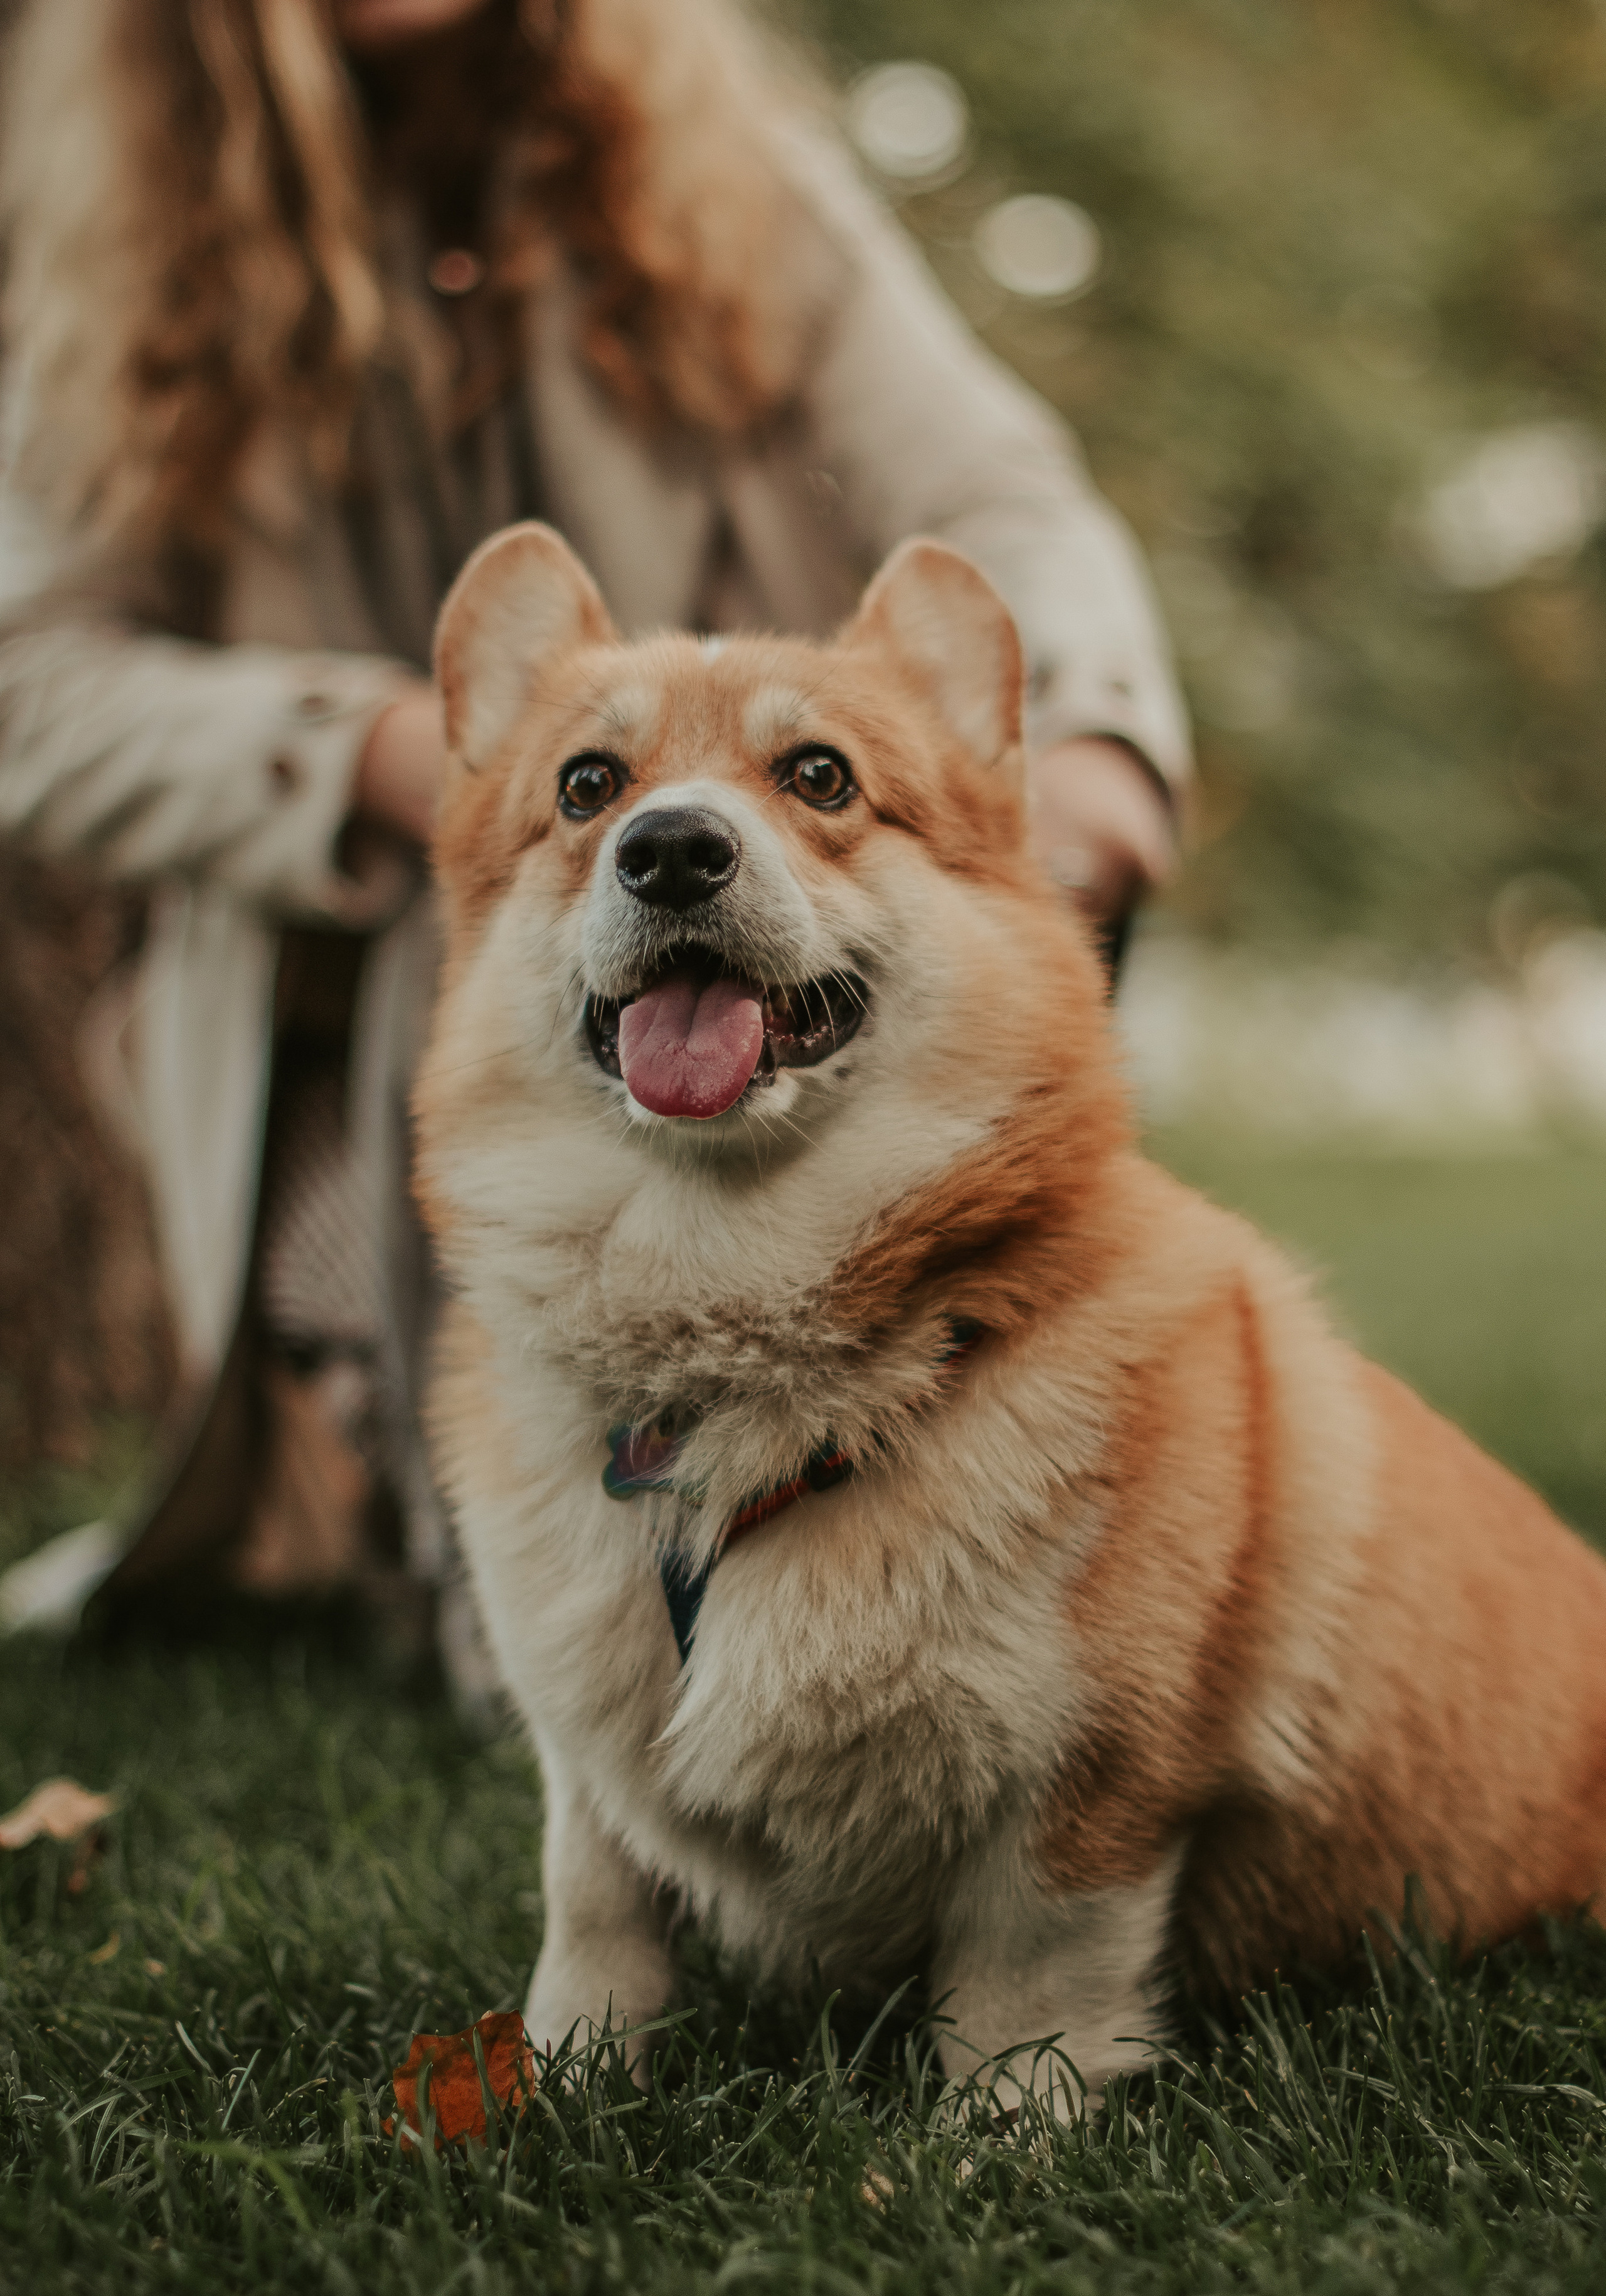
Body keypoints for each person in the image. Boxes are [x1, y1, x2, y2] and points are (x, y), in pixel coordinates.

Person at [0, 0, 1189, 1680]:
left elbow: (1008, 499)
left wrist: (1092, 750)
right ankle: (399, 1463)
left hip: (786, 912)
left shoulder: (735, 168)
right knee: (495, 1499)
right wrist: (385, 756)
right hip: (340, 997)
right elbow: (25, 681)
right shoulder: (99, 239)